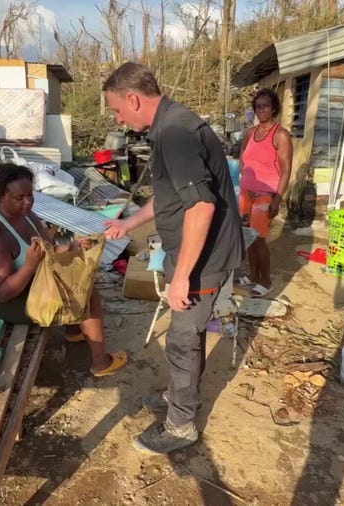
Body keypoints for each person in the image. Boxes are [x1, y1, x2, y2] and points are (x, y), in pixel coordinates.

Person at [102, 62, 243, 453]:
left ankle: (181, 424)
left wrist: (182, 277)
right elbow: (170, 198)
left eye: (116, 109)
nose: (118, 117)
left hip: (205, 258)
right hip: (192, 253)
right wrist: (128, 224)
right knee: (186, 334)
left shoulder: (176, 133)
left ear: (133, 98)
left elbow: (200, 208)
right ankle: (176, 396)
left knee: (182, 339)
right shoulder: (168, 126)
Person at [0, 163, 127, 377]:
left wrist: (74, 246)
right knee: (86, 294)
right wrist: (30, 264)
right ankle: (100, 363)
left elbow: (51, 249)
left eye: (30, 195)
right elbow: (2, 293)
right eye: (19, 198)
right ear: (1, 197)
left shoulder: (27, 214)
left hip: (29, 283)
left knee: (79, 277)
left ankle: (74, 330)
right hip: (7, 301)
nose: (27, 202)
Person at [236, 88, 293, 297]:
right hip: (246, 192)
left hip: (265, 194)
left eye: (265, 106)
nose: (261, 110)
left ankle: (265, 280)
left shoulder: (280, 135)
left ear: (274, 108)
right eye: (258, 106)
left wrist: (277, 199)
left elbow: (286, 170)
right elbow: (242, 154)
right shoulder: (251, 133)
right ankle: (252, 275)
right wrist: (243, 172)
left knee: (259, 239)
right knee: (247, 236)